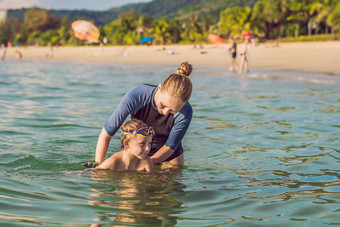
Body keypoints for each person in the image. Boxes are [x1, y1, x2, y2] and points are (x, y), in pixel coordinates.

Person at [95, 62, 193, 167]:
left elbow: (170, 146)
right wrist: (98, 166)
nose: (164, 112)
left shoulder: (186, 112)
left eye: (172, 111)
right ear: (159, 88)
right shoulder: (137, 96)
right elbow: (106, 134)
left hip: (168, 156)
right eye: (163, 105)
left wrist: (146, 163)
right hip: (138, 147)